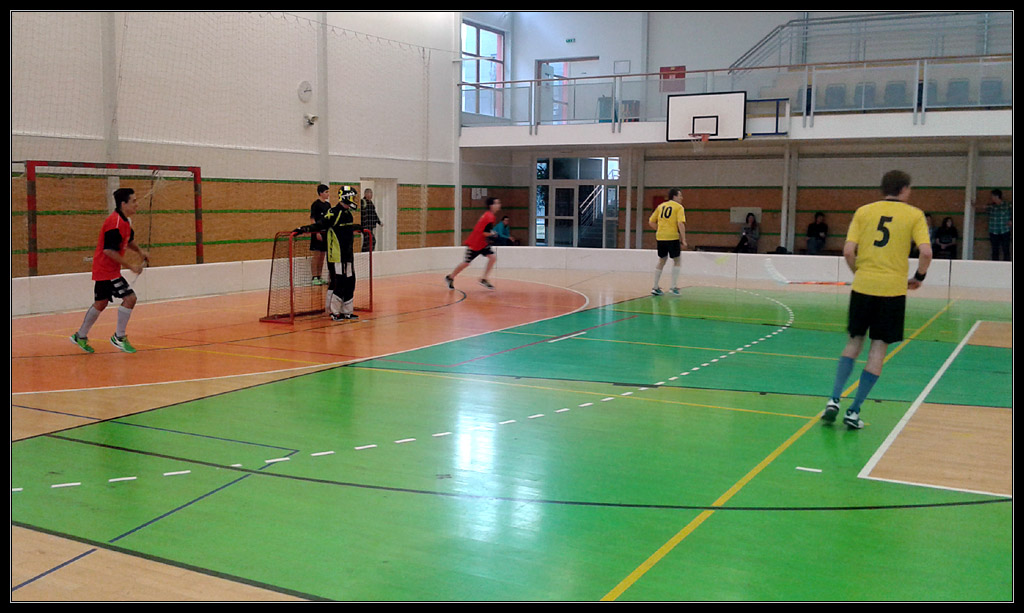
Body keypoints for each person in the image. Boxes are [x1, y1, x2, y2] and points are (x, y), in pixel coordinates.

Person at [822, 170, 931, 429]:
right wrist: (919, 276)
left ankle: (834, 399)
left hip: (863, 287)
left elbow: (848, 251)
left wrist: (859, 273)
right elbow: (926, 252)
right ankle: (854, 411)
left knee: (853, 343)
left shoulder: (863, 212)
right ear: (903, 189)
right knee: (878, 350)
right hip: (892, 291)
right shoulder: (915, 215)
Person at [70, 187, 150, 354]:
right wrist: (131, 266)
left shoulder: (126, 222)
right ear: (123, 204)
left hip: (107, 270)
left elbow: (128, 240)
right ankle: (119, 337)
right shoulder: (114, 223)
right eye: (133, 201)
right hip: (107, 270)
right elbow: (108, 250)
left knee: (101, 303)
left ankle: (80, 336)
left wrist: (140, 251)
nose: (136, 204)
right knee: (130, 298)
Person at [294, 186, 360, 320]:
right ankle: (334, 312)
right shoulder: (334, 212)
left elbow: (345, 229)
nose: (354, 200)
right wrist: (303, 229)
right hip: (336, 255)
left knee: (350, 281)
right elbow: (320, 224)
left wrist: (359, 227)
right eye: (352, 197)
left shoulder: (348, 214)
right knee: (338, 282)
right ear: (346, 197)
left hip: (347, 254)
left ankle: (347, 311)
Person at [446, 197, 501, 290]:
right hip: (475, 243)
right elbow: (485, 232)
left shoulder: (488, 215)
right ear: (491, 205)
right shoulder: (489, 217)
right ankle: (450, 277)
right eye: (497, 203)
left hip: (482, 243)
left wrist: (491, 234)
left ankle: (484, 279)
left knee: (492, 258)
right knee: (466, 263)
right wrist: (494, 234)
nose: (499, 205)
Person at [648, 188, 687, 295]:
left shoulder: (661, 206)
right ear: (674, 196)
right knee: (677, 260)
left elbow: (651, 222)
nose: (682, 198)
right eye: (680, 195)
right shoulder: (679, 207)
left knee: (662, 260)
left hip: (660, 237)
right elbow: (680, 223)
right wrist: (684, 239)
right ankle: (673, 287)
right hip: (672, 237)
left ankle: (655, 287)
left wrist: (661, 230)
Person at [309, 184, 330, 284]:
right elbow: (312, 219)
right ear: (321, 193)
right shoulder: (315, 205)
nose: (328, 194)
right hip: (317, 233)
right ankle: (314, 277)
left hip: (325, 233)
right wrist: (316, 231)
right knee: (317, 255)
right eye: (326, 192)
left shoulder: (328, 205)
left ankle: (320, 276)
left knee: (322, 256)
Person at [986, 189, 1012, 261]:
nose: (991, 198)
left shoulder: (1007, 205)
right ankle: (995, 265)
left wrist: (1011, 220)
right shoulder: (991, 206)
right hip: (993, 231)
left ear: (997, 196)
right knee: (995, 250)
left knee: (1006, 249)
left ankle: (1007, 265)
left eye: (992, 196)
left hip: (1005, 230)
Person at [360, 188, 381, 252]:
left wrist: (379, 222)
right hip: (365, 225)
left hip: (370, 225)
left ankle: (368, 253)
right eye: (369, 193)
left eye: (371, 193)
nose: (370, 195)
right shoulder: (363, 202)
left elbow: (374, 213)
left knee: (368, 241)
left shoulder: (371, 203)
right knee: (371, 240)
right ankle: (366, 253)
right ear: (365, 194)